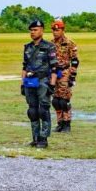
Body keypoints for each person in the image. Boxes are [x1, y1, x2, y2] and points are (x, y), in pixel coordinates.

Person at [21, 20, 58, 148]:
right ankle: (35, 137)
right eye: (31, 30)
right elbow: (24, 66)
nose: (32, 32)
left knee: (43, 110)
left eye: (35, 30)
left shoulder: (49, 47)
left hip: (43, 81)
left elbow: (54, 67)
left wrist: (52, 85)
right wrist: (22, 83)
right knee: (32, 111)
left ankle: (44, 138)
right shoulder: (27, 47)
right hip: (30, 82)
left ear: (42, 31)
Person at [51, 20, 79, 133]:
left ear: (63, 30)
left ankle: (67, 123)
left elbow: (75, 61)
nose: (55, 32)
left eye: (57, 30)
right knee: (56, 101)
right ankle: (60, 123)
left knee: (64, 100)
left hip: (65, 73)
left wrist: (72, 76)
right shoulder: (50, 44)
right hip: (54, 74)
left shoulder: (69, 43)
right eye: (54, 30)